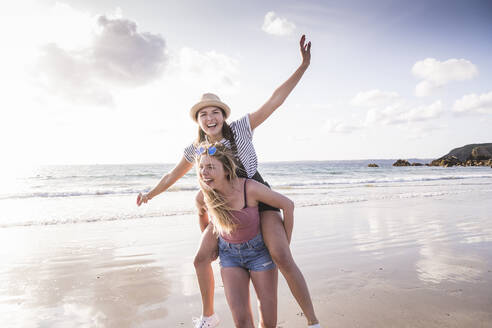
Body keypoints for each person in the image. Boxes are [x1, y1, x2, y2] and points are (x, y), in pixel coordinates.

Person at [137, 35, 320, 328]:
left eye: (215, 112)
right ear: (198, 121)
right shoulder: (194, 149)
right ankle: (209, 316)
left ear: (223, 116)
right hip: (222, 205)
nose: (210, 117)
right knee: (200, 258)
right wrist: (150, 193)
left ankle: (312, 322)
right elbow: (172, 175)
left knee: (282, 255)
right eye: (203, 114)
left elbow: (275, 101)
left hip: (256, 196)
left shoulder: (242, 128)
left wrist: (304, 65)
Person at [195, 142, 286, 327]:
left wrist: (286, 241)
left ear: (227, 170)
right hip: (229, 257)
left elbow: (288, 205)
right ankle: (208, 316)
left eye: (211, 167)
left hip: (259, 254)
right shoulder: (204, 195)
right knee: (242, 322)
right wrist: (211, 243)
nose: (204, 172)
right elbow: (201, 213)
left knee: (269, 323)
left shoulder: (249, 187)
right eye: (201, 167)